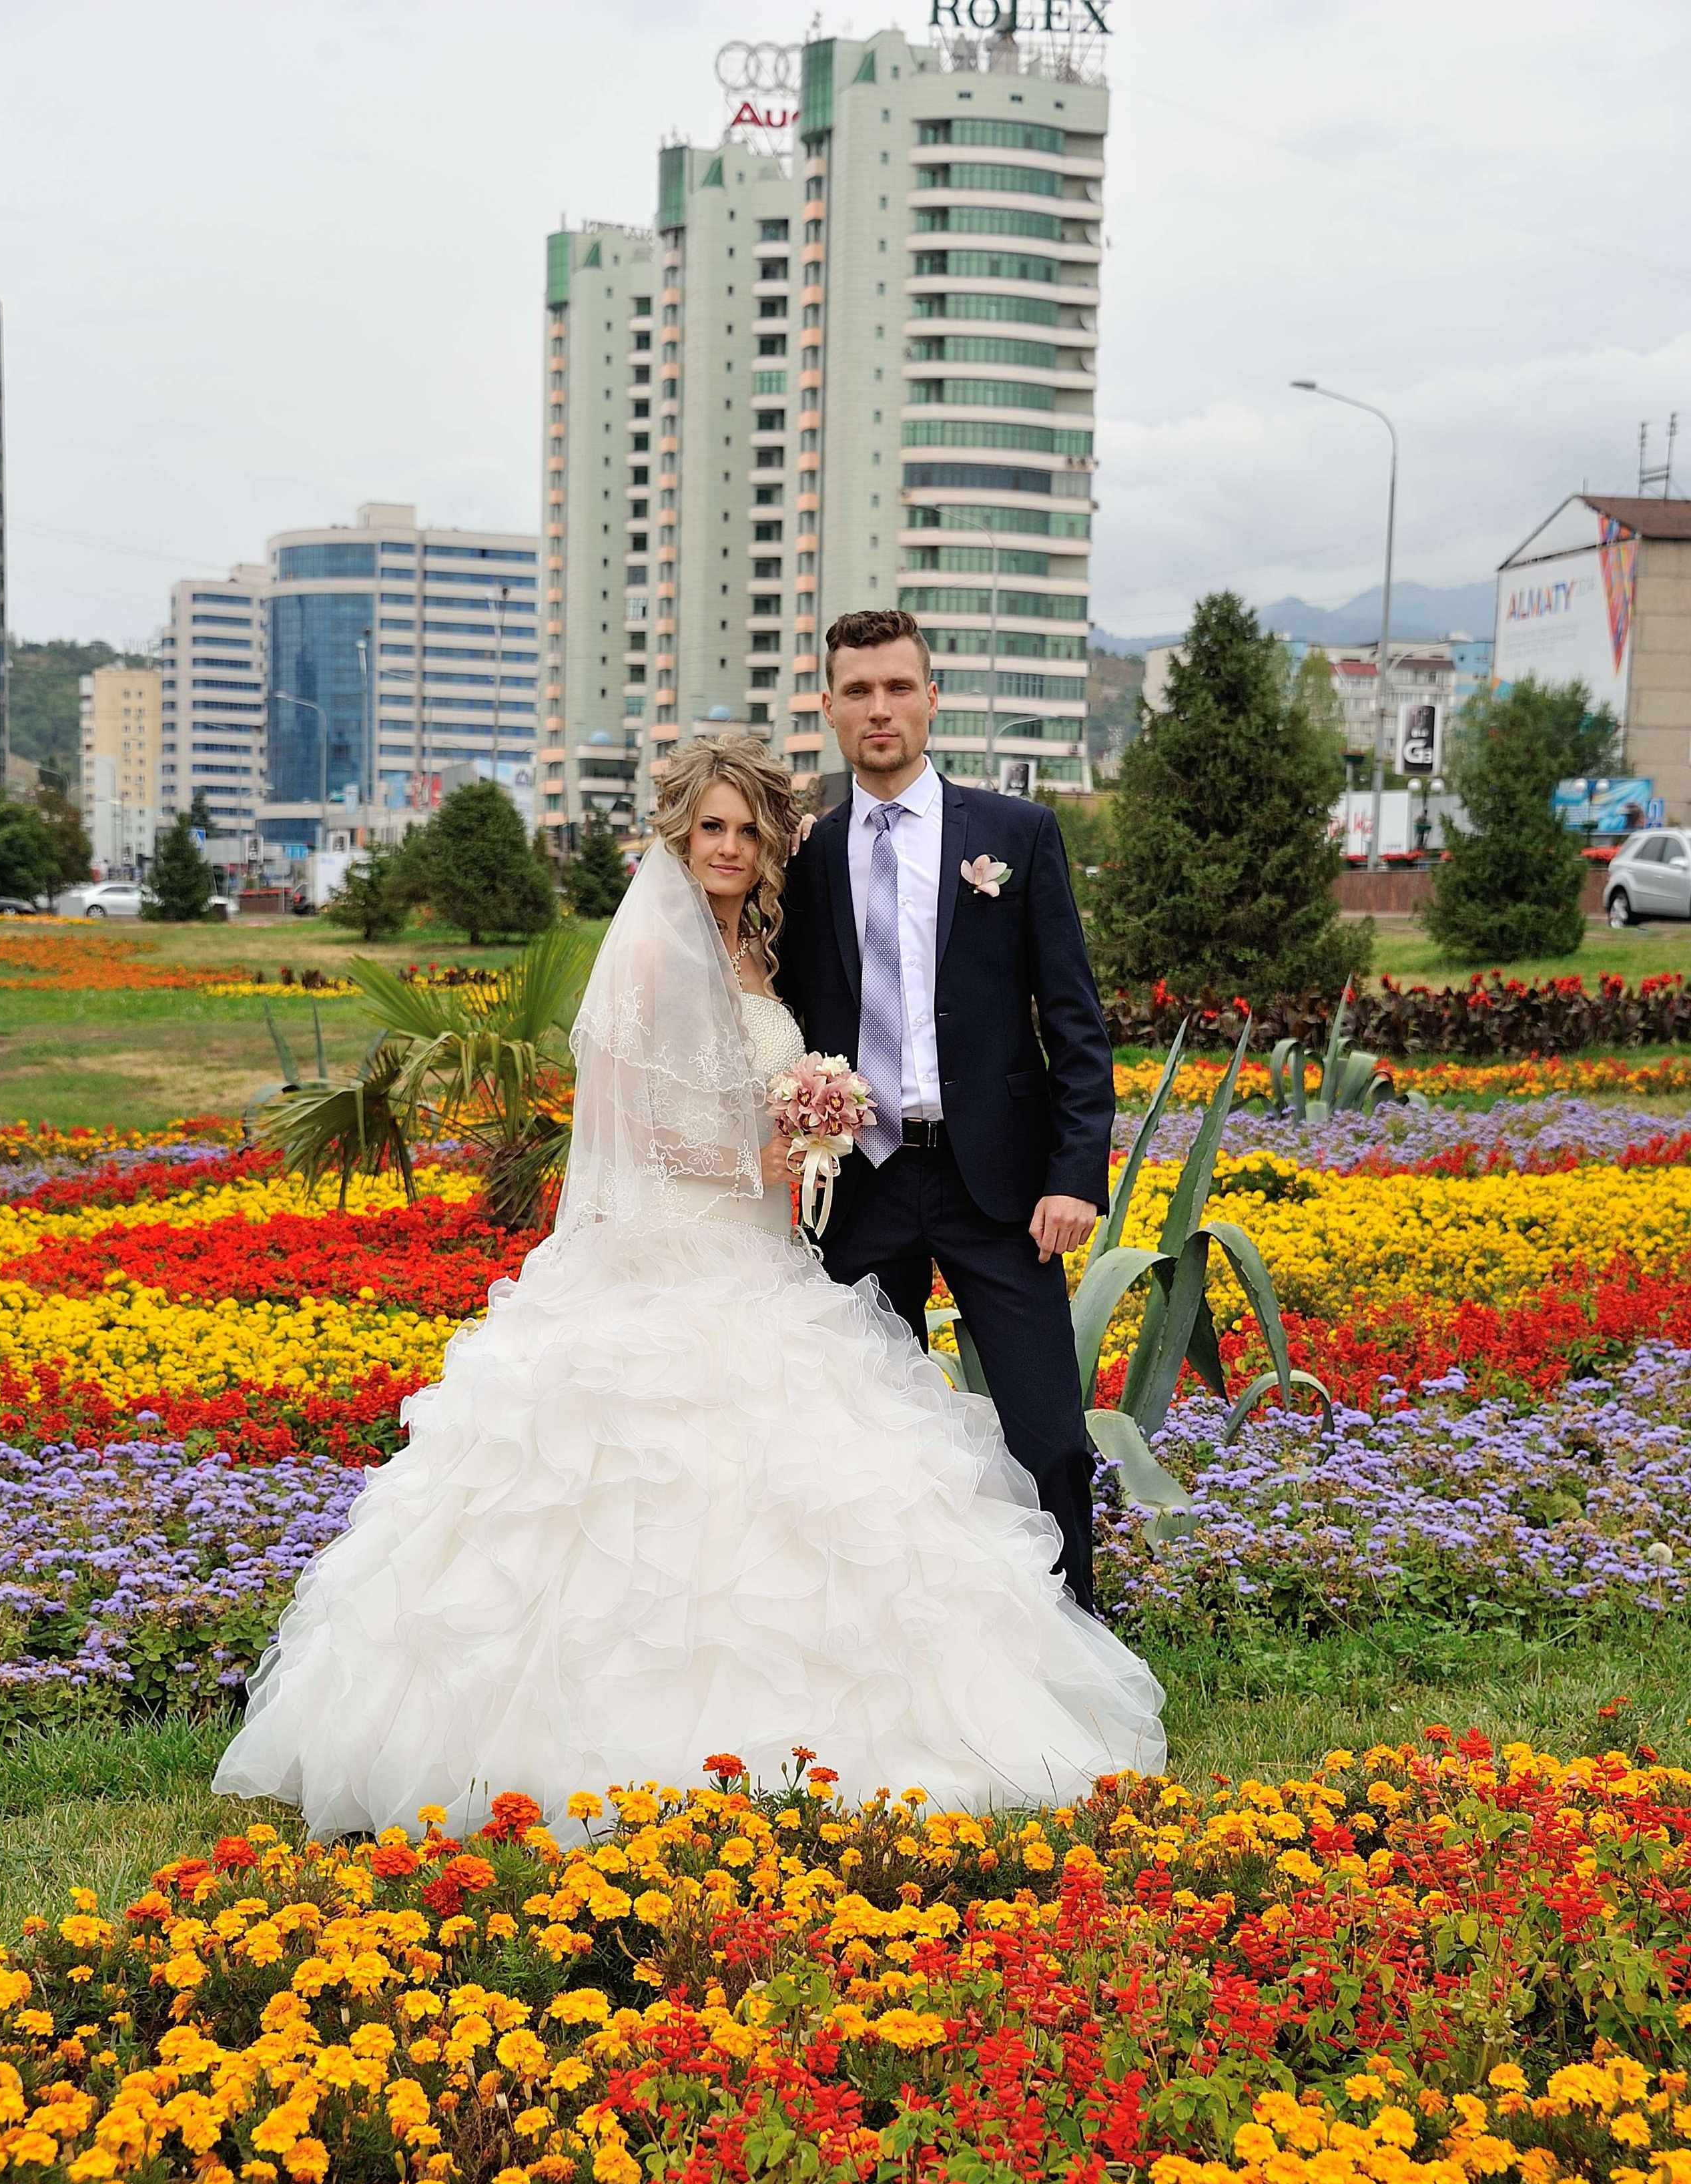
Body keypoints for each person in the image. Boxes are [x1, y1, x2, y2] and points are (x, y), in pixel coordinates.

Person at [213, 734, 1164, 1840]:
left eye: (747, 830)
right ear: (679, 833)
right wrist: (753, 1157)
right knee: (654, 1499)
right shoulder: (658, 954)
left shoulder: (758, 958)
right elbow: (631, 1128)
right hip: (677, 1259)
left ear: (770, 847)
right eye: (710, 827)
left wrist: (805, 1122)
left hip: (770, 1254)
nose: (728, 847)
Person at [775, 609, 1115, 1614]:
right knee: (867, 1443)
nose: (879, 709)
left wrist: (1073, 1175)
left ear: (932, 697)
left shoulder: (1014, 834)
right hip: (863, 1187)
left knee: (1049, 1436)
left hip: (1000, 1187)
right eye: (857, 692)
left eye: (897, 687)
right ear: (830, 710)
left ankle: (1074, 1637)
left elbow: (1076, 1022)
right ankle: (893, 1641)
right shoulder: (805, 857)